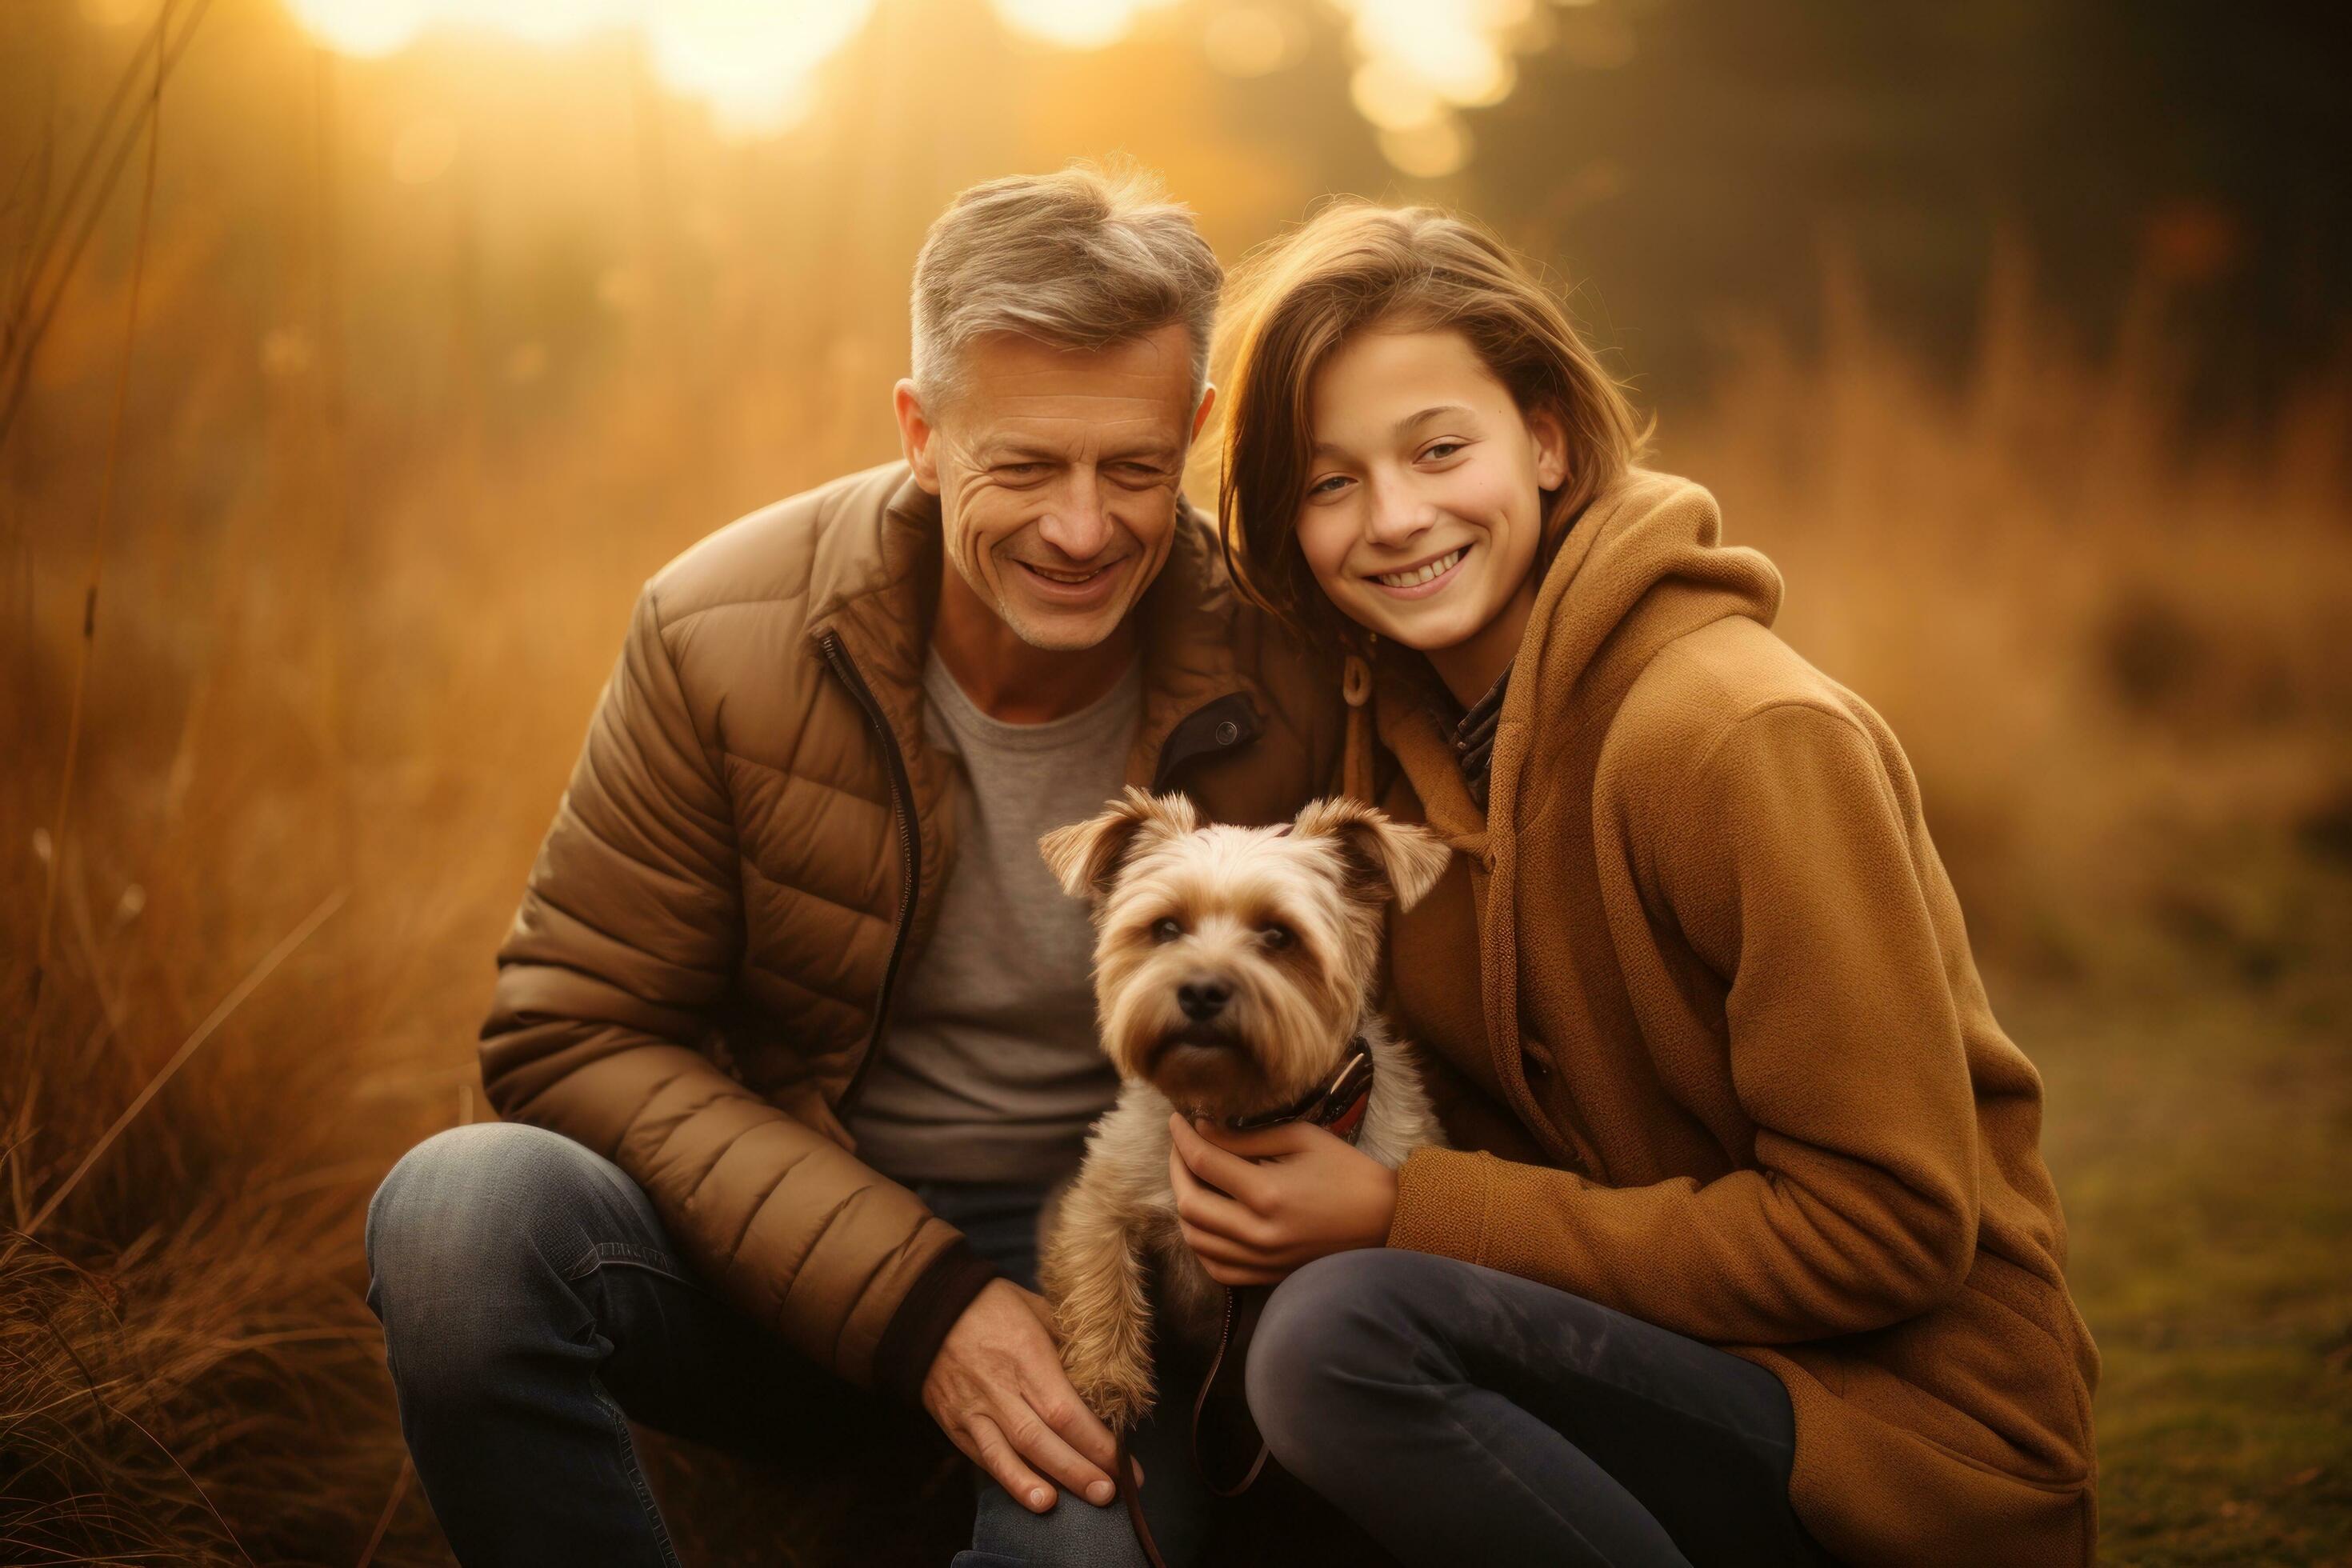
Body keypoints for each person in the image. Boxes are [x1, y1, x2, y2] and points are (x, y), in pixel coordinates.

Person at [362, 163, 1340, 1567]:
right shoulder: (721, 631)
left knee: (1081, 1557)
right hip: (780, 1249)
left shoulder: (1293, 652)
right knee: (460, 1217)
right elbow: (570, 1029)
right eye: (1021, 465)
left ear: (1193, 429)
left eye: (1133, 467)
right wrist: (921, 1304)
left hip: (1123, 1274)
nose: (1081, 528)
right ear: (923, 432)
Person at [1182, 201, 2101, 1567]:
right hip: (1639, 1359)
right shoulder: (1397, 752)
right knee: (1258, 1357)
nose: (1395, 517)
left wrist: (1398, 1212)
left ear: (1546, 437)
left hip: (1898, 1439)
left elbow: (1890, 1230)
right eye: (1328, 483)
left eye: (1441, 448)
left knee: (1341, 1339)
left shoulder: (1738, 736)